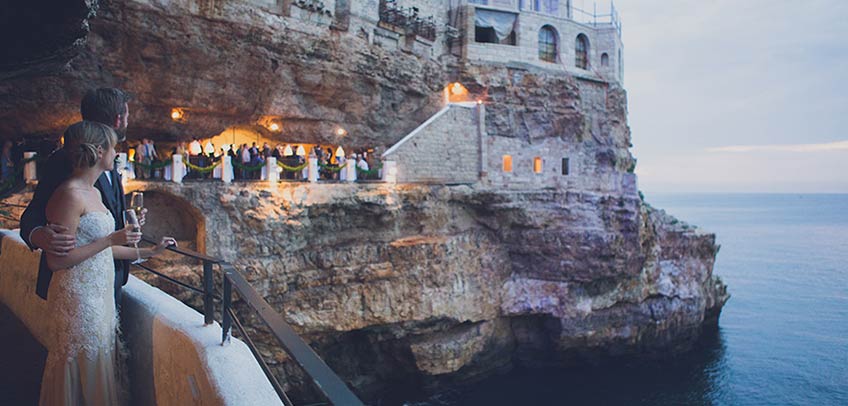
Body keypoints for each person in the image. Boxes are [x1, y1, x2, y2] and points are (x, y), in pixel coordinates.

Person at [38, 120, 176, 405]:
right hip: (78, 299)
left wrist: (151, 252)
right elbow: (56, 261)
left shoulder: (95, 192)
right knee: (80, 363)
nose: (118, 154)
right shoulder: (69, 194)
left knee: (98, 361)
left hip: (99, 296)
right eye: (114, 148)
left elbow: (101, 251)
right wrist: (111, 239)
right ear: (99, 151)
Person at [20, 88, 138, 307]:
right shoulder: (65, 159)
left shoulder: (108, 156)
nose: (128, 122)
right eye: (128, 116)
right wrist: (40, 236)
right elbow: (32, 215)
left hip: (109, 278)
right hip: (77, 288)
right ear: (118, 119)